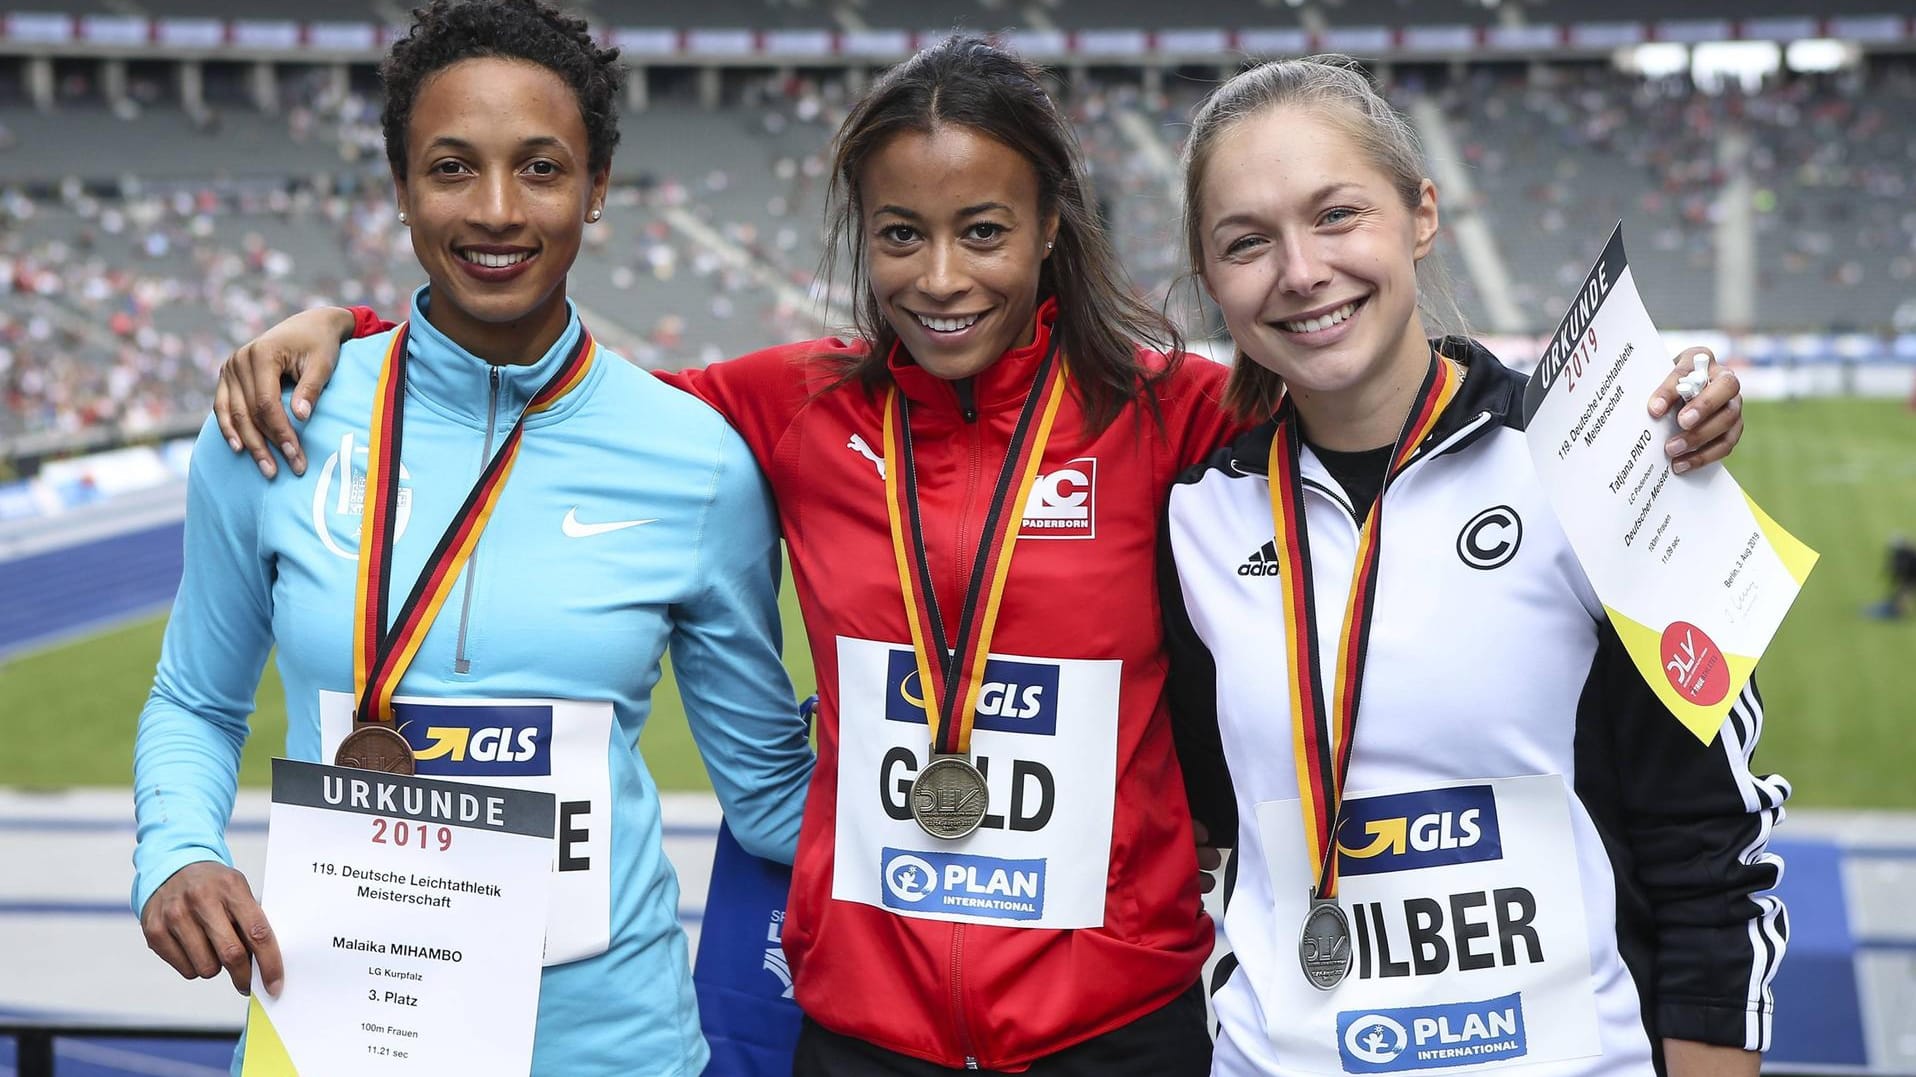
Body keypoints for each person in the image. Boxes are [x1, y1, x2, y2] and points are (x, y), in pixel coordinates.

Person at [209, 38, 1751, 1075]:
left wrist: (1625, 422)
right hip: (864, 1026)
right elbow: (546, 386)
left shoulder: (1178, 415)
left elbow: (1366, 366)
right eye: (900, 236)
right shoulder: (782, 412)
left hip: (1121, 1023)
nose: (941, 280)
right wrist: (346, 334)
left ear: (1051, 228)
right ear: (860, 237)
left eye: (984, 233)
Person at [130, 3, 812, 1074]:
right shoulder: (275, 421)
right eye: (452, 169)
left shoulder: (697, 462)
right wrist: (175, 850)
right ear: (401, 188)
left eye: (540, 169)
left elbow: (771, 799)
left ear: (596, 188)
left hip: (609, 1051)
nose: (497, 211)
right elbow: (196, 699)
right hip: (337, 1037)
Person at [1159, 56, 1786, 1077]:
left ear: (1420, 214)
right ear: (1209, 275)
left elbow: (1711, 854)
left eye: (1334, 215)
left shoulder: (1606, 457)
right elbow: (1203, 826)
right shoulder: (1194, 517)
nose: (1299, 270)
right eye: (1245, 243)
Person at [1865, 534, 1916, 618]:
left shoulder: (1906, 557)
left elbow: (1902, 570)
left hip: (1911, 576)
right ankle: (1896, 608)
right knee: (1902, 592)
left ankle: (1897, 612)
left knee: (1904, 593)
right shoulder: (1906, 554)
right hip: (1910, 576)